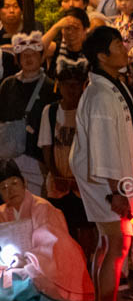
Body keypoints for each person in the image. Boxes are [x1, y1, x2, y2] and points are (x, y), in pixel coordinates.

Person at [70, 26, 133, 301]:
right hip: (106, 180)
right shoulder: (102, 93)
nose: (124, 47)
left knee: (108, 244)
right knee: (116, 244)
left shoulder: (109, 85)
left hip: (108, 178)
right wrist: (117, 191)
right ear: (103, 55)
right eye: (118, 44)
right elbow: (103, 145)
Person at [0, 160, 93, 301]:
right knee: (7, 278)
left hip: (41, 266)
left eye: (14, 183)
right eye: (4, 188)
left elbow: (51, 244)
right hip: (13, 265)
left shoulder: (41, 207)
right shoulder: (2, 212)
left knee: (26, 281)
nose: (10, 191)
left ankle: (23, 297)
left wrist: (25, 260)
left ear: (25, 183)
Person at [37, 57, 93, 254]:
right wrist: (55, 175)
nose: (71, 90)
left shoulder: (88, 112)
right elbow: (46, 146)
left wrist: (82, 179)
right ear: (58, 86)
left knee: (86, 230)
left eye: (76, 85)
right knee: (60, 229)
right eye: (66, 85)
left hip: (83, 184)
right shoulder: (50, 112)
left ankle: (85, 270)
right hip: (58, 184)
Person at [0, 32, 60, 196]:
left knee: (36, 199)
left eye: (33, 54)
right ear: (17, 60)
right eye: (24, 55)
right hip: (9, 153)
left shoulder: (51, 86)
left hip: (37, 154)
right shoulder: (8, 84)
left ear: (41, 57)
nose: (28, 59)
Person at [42, 7, 90, 78]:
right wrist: (56, 27)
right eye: (67, 28)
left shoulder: (91, 52)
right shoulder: (55, 48)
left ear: (85, 30)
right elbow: (35, 50)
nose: (71, 32)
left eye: (76, 28)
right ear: (62, 30)